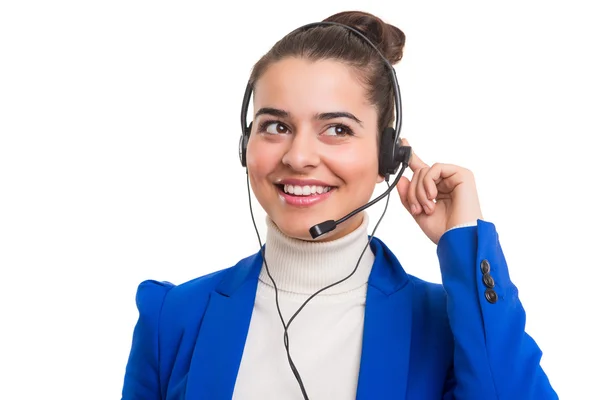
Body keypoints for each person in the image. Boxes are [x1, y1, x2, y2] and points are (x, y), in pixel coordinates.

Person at [121, 10, 557, 400]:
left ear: (389, 156)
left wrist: (462, 242)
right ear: (246, 143)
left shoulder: (448, 326)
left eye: (337, 130)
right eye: (276, 126)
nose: (299, 156)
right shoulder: (173, 317)